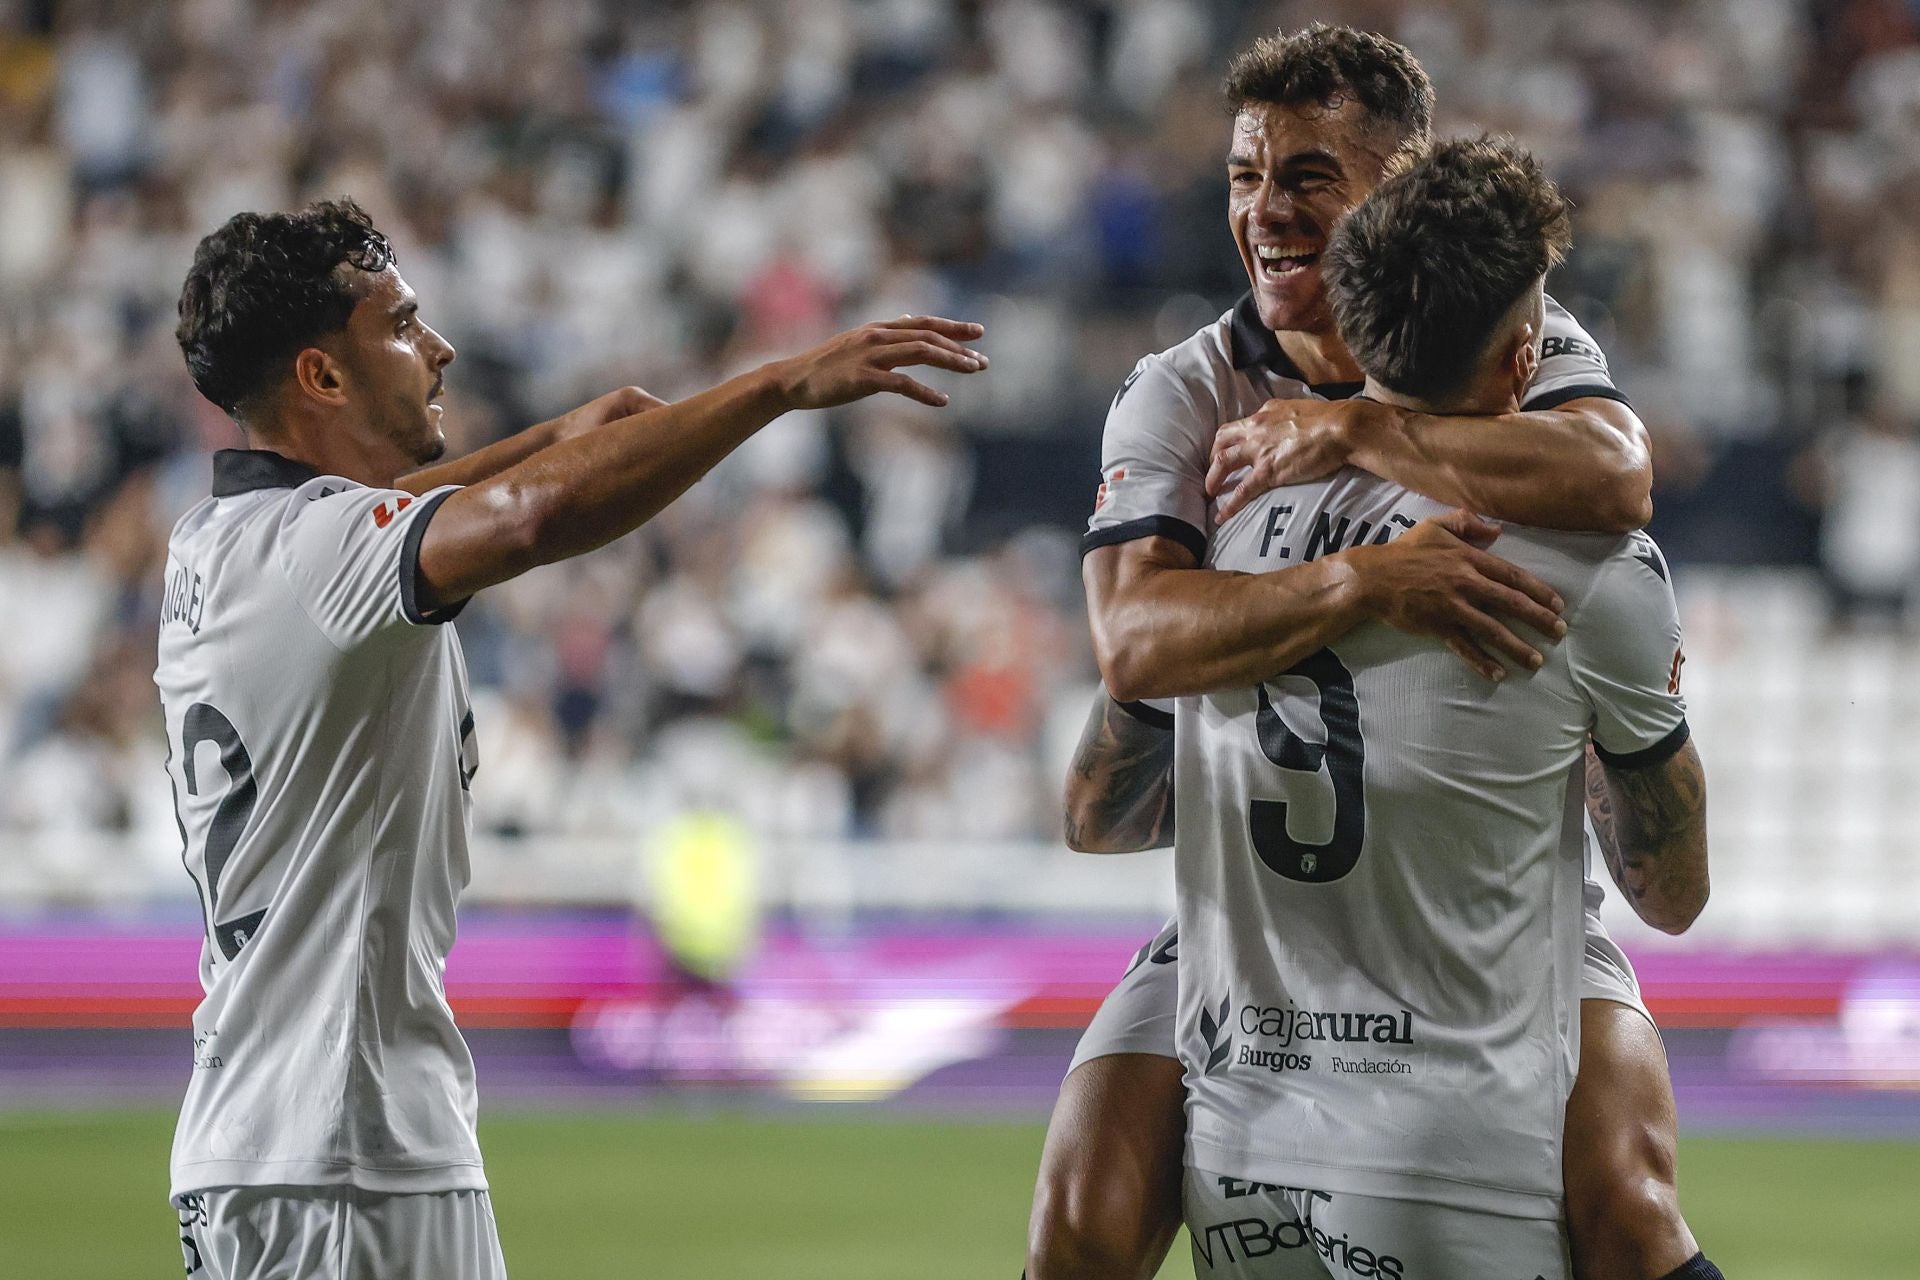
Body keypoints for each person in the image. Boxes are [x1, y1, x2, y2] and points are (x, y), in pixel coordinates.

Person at [156, 198, 986, 1279]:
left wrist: (551, 436)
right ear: (323, 377)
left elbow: (398, 507)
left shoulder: (214, 542)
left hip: (261, 1136)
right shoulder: (324, 556)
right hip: (345, 1147)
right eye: (403, 326)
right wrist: (780, 384)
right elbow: (524, 522)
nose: (439, 348)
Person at [1029, 26, 1720, 1280]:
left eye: (1306, 176)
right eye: (1246, 177)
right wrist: (1365, 578)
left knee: (1627, 1202)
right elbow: (1131, 640)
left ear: (1396, 189)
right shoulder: (1185, 389)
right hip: (1255, 880)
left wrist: (1352, 429)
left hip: (1483, 887)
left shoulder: (1519, 326)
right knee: (1079, 1215)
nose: (1266, 213)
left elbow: (1618, 475)